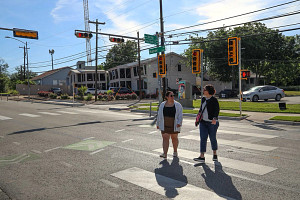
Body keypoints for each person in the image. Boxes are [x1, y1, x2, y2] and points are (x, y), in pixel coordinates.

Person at [194, 84, 220, 163]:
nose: (203, 91)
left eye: (204, 89)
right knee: (203, 138)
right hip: (203, 122)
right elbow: (201, 109)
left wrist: (214, 118)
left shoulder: (214, 100)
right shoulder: (203, 99)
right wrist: (198, 119)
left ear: (208, 91)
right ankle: (202, 156)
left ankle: (214, 154)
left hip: (212, 123)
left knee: (212, 138)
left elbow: (217, 110)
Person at [157, 91, 183, 159]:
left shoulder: (178, 105)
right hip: (164, 123)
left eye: (173, 95)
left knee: (174, 138)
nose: (173, 97)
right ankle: (165, 153)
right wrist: (158, 123)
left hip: (174, 124)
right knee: (165, 138)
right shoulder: (162, 105)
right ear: (167, 97)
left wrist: (179, 123)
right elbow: (159, 115)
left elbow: (180, 115)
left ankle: (175, 151)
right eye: (171, 96)